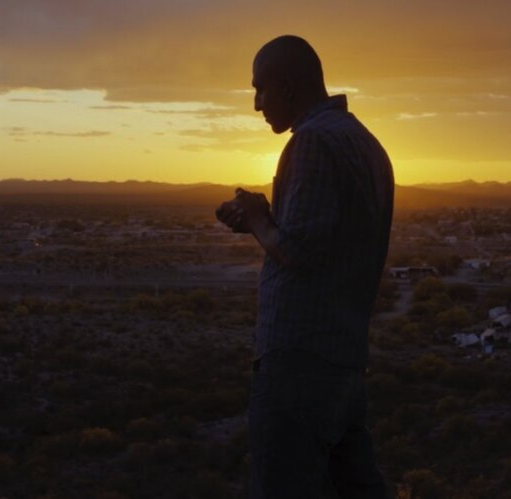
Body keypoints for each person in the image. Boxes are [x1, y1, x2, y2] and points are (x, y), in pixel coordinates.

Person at [216, 35, 394, 499]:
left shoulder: (312, 142)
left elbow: (298, 251)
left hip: (298, 363)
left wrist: (259, 217)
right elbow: (324, 244)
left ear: (289, 87)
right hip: (343, 361)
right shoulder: (364, 142)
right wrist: (258, 224)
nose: (257, 105)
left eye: (261, 90)